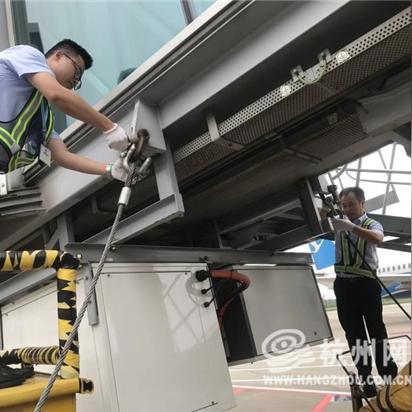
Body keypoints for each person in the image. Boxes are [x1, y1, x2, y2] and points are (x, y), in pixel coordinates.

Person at [0, 39, 132, 181]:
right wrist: (109, 127)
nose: (75, 81)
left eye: (78, 81)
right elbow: (56, 94)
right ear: (59, 56)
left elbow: (62, 156)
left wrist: (110, 170)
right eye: (77, 71)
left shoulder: (43, 116)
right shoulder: (27, 54)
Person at [331, 187, 398, 397]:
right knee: (354, 335)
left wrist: (351, 227)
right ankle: (366, 380)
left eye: (351, 204)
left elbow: (378, 238)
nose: (348, 209)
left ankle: (389, 378)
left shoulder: (370, 223)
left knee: (377, 332)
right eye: (344, 206)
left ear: (362, 203)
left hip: (366, 285)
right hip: (343, 286)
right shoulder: (339, 222)